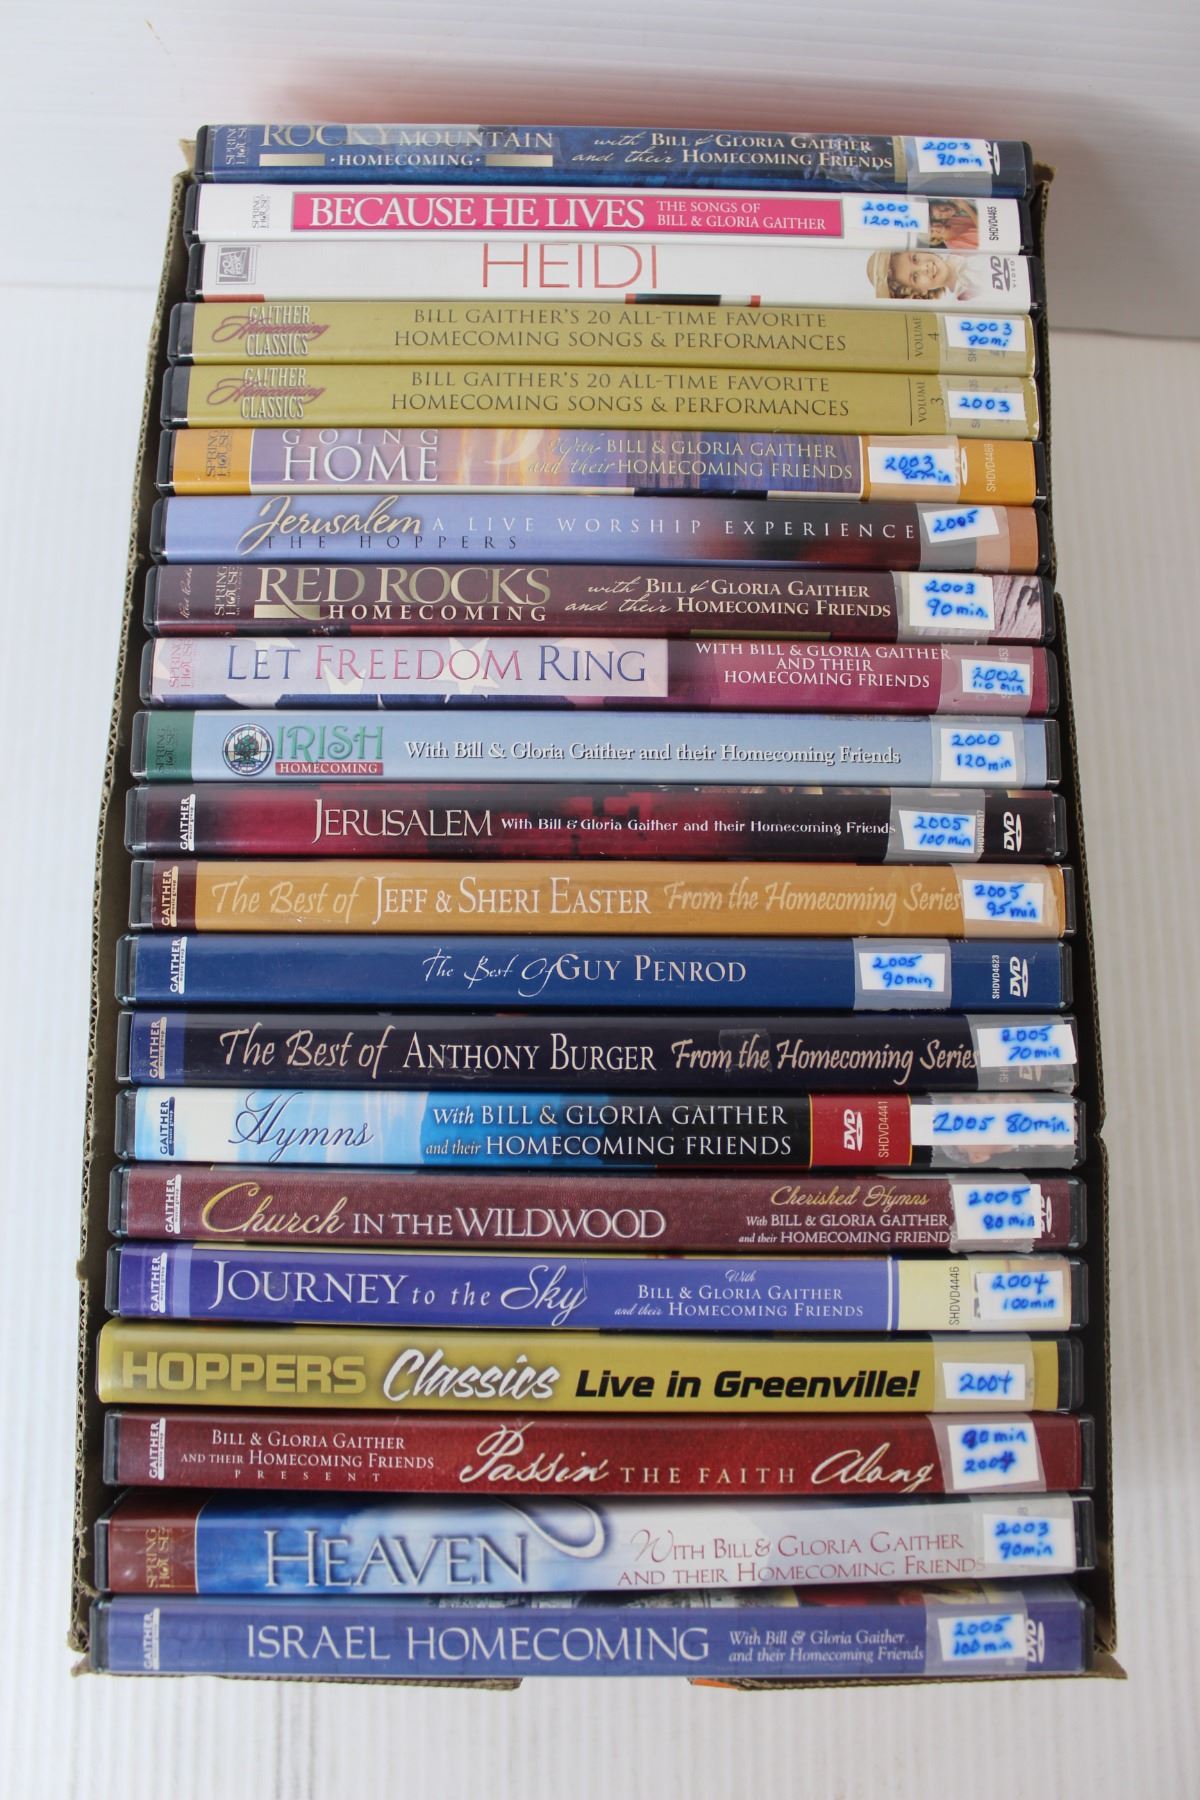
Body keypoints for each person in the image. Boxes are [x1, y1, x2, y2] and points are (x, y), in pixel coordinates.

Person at [867, 248, 982, 302]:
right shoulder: (963, 300)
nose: (924, 268)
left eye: (915, 259)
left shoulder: (961, 247)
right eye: (915, 277)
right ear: (919, 292)